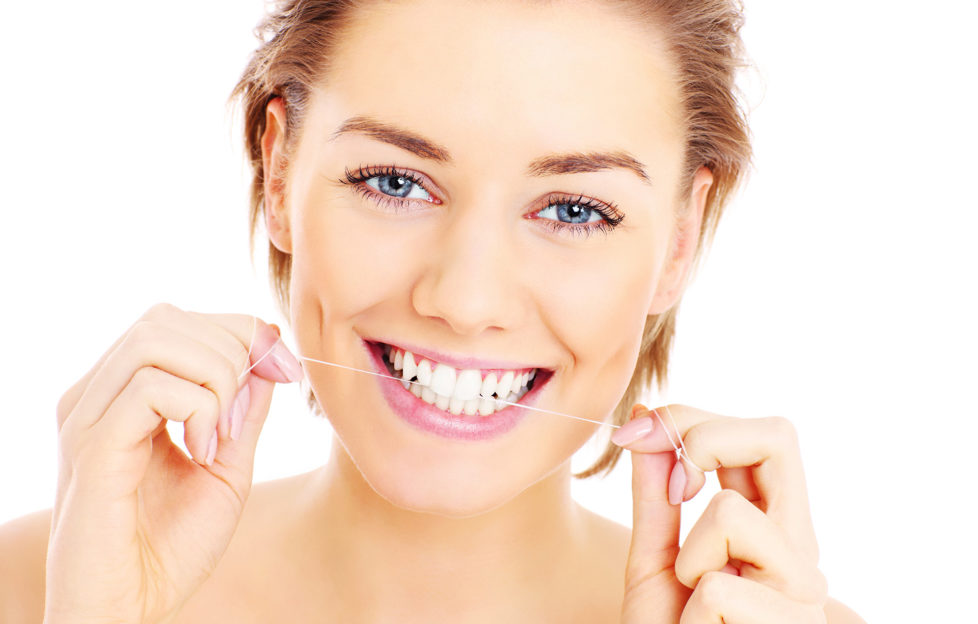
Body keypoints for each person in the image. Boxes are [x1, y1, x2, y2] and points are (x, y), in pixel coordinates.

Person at [0, 0, 866, 622]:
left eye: (574, 210)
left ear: (679, 241)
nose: (464, 300)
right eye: (394, 182)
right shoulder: (35, 590)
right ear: (277, 174)